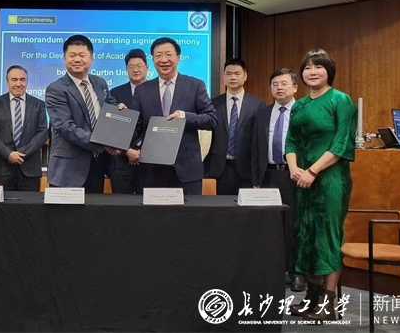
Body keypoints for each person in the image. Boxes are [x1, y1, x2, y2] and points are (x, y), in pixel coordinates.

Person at [285, 49, 357, 320]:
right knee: (307, 236)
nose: (312, 72)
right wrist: (294, 168)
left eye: (318, 67)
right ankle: (311, 299)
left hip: (330, 180)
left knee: (328, 237)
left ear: (329, 72)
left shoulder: (341, 100)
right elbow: (290, 141)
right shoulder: (300, 105)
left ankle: (328, 303)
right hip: (302, 180)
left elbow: (341, 143)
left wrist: (313, 171)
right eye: (307, 67)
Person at [131, 37, 217, 195]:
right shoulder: (142, 90)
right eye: (158, 55)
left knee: (189, 212)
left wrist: (185, 116)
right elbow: (136, 127)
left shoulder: (195, 85)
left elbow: (212, 120)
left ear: (178, 58)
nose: (163, 60)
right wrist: (122, 117)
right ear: (153, 59)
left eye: (168, 54)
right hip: (152, 171)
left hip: (187, 170)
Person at [251, 68, 306, 292]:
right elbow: (255, 149)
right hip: (268, 175)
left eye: (284, 83)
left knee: (295, 224)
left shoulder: (304, 112)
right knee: (270, 226)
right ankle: (274, 270)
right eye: (275, 84)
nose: (279, 88)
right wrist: (255, 180)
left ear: (295, 87)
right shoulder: (262, 114)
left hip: (295, 175)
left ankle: (297, 272)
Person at [45, 35, 121, 193]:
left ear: (91, 58)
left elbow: (111, 107)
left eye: (82, 55)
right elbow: (66, 128)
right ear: (64, 59)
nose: (77, 59)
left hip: (98, 165)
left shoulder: (100, 83)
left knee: (94, 209)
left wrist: (120, 112)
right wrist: (103, 143)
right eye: (72, 55)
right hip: (68, 170)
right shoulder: (56, 89)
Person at [206, 58, 265, 195]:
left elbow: (259, 140)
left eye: (237, 74)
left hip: (246, 169)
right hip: (219, 168)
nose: (233, 77)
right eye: (228, 74)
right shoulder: (213, 104)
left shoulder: (257, 104)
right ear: (223, 77)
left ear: (245, 76)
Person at [0, 65, 48, 191]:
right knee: (2, 204)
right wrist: (8, 154)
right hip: (3, 167)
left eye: (22, 80)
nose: (18, 84)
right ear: (7, 82)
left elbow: (42, 132)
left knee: (29, 204)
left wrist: (21, 153)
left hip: (30, 169)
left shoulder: (38, 104)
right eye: (14, 80)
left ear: (27, 82)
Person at [108, 48, 148, 194]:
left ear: (147, 68)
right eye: (131, 67)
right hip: (120, 160)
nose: (135, 70)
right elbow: (110, 127)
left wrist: (141, 151)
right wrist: (128, 151)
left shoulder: (157, 91)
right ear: (126, 69)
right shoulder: (115, 93)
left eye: (139, 66)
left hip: (148, 159)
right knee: (121, 204)